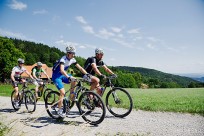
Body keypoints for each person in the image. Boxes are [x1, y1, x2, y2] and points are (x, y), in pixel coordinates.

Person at [52, 45, 92, 117]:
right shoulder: (63, 59)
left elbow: (80, 68)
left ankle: (71, 95)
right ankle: (59, 110)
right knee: (63, 92)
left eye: (74, 53)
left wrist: (87, 74)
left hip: (63, 75)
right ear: (68, 53)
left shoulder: (73, 59)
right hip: (56, 76)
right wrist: (68, 77)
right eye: (72, 53)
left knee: (74, 80)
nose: (73, 55)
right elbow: (61, 70)